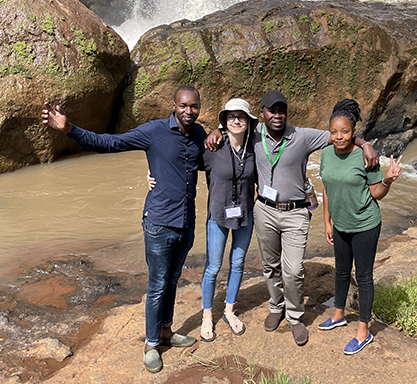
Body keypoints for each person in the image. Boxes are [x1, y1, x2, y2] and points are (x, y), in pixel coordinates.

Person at [41, 85, 205, 374]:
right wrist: (69, 129)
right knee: (157, 285)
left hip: (186, 221)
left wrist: (219, 134)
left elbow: (210, 162)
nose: (189, 111)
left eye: (194, 107)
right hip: (158, 223)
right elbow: (110, 143)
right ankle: (151, 343)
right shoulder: (154, 131)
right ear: (174, 105)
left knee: (173, 280)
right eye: (184, 106)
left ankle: (166, 331)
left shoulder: (199, 135)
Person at [206, 90, 379, 347]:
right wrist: (217, 130)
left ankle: (295, 316)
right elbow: (233, 127)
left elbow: (340, 135)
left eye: (281, 110)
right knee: (269, 265)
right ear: (261, 115)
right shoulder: (254, 134)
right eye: (271, 111)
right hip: (264, 209)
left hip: (296, 213)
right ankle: (276, 306)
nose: (277, 115)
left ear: (286, 113)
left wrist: (365, 144)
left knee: (294, 269)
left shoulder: (303, 136)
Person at [150, 98, 257, 342]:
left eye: (241, 116)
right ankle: (207, 315)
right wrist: (152, 172)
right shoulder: (211, 148)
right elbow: (180, 162)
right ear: (224, 121)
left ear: (249, 121)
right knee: (213, 267)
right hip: (218, 215)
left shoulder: (255, 148)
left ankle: (229, 311)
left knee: (238, 262)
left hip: (245, 215)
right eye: (231, 117)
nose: (236, 120)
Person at [318, 98, 402, 355]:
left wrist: (387, 180)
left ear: (354, 132)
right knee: (341, 272)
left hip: (365, 224)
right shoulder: (325, 154)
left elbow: (376, 193)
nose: (339, 136)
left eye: (345, 131)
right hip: (340, 223)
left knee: (363, 277)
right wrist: (327, 221)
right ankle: (339, 315)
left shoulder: (365, 157)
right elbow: (327, 187)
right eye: (334, 132)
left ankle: (363, 331)